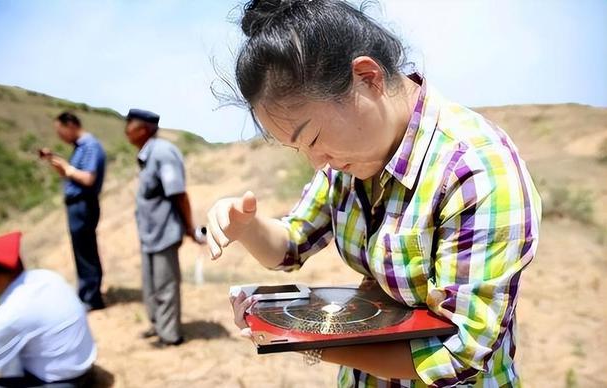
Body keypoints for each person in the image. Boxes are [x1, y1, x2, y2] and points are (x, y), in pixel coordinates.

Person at [206, 1, 542, 387]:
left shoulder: (475, 171)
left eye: (313, 138)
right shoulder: (348, 160)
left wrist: (300, 338)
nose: (317, 162)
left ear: (368, 78)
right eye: (300, 149)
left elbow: (458, 354)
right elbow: (291, 244)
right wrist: (246, 226)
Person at [0, 232, 96, 387]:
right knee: (5, 351)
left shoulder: (10, 313)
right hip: (83, 370)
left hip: (59, 383)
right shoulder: (47, 277)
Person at [124, 109, 199, 348]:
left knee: (165, 285)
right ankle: (158, 325)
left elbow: (178, 195)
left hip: (164, 232)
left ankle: (170, 336)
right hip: (149, 233)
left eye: (130, 125)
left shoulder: (163, 153)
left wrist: (189, 228)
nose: (126, 130)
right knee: (151, 284)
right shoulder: (147, 153)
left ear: (144, 128)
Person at [41, 111, 107, 311]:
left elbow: (87, 178)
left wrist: (67, 168)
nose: (60, 136)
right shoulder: (80, 148)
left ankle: (91, 297)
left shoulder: (90, 146)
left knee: (86, 251)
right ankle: (86, 294)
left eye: (60, 131)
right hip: (77, 204)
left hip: (83, 203)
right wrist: (57, 162)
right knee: (82, 250)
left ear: (70, 124)